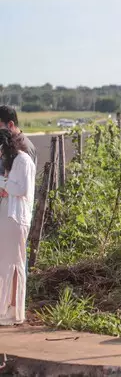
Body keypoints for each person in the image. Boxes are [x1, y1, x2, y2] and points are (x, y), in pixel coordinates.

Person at [0, 128, 36, 325]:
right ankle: (9, 308)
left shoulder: (22, 160)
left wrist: (2, 182)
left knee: (12, 264)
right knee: (8, 264)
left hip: (15, 218)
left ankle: (11, 311)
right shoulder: (13, 161)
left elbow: (21, 189)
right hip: (8, 215)